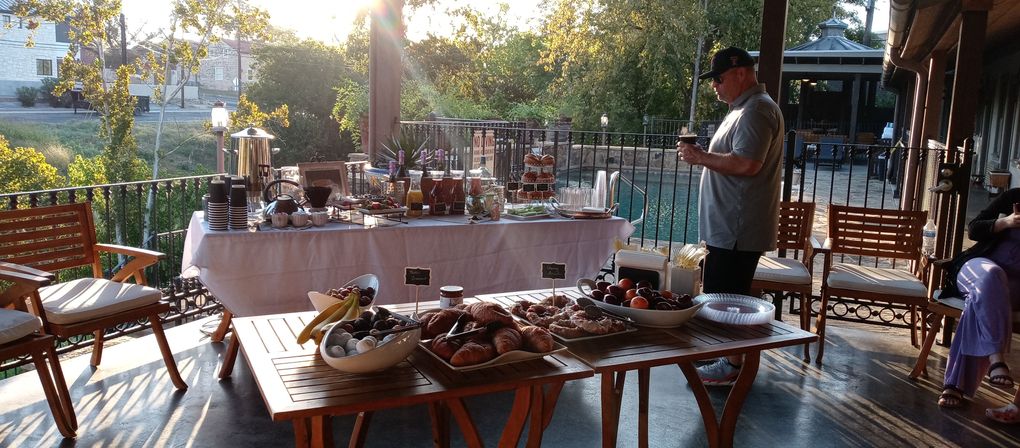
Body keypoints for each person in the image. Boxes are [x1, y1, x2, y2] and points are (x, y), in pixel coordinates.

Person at [677, 46, 784, 386]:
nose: (715, 86)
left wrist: (700, 157)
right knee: (724, 296)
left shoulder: (756, 111)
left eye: (719, 79)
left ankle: (733, 368)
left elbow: (747, 164)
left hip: (736, 229)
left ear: (741, 73)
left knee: (730, 299)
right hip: (727, 227)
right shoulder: (744, 108)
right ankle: (727, 358)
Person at [934, 188, 1020, 419]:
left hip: (1013, 287)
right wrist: (1007, 222)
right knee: (991, 276)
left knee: (979, 302)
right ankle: (996, 357)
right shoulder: (1014, 197)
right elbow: (974, 229)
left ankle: (954, 384)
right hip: (978, 267)